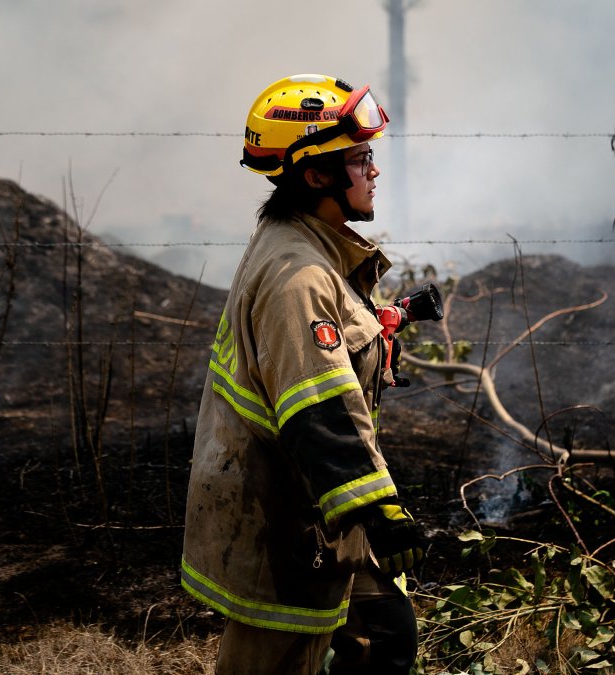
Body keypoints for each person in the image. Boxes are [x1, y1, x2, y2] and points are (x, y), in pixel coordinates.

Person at [180, 73, 425, 674]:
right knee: (278, 658)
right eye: (361, 158)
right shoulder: (300, 277)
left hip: (311, 502)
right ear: (316, 176)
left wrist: (379, 333)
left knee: (384, 634)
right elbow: (317, 408)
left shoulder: (301, 242)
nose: (374, 171)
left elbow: (315, 357)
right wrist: (379, 509)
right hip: (280, 516)